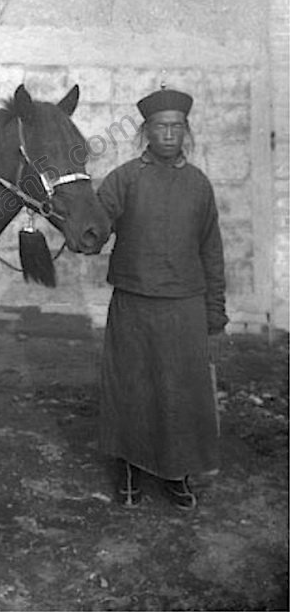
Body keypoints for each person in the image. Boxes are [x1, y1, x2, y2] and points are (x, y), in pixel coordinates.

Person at [97, 87, 228, 510]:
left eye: (176, 127)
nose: (168, 134)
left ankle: (176, 474)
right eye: (160, 127)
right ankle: (131, 469)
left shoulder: (198, 185)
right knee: (133, 388)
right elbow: (95, 225)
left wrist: (215, 312)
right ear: (146, 132)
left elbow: (212, 251)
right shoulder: (125, 178)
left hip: (185, 306)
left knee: (180, 392)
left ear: (185, 132)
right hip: (134, 302)